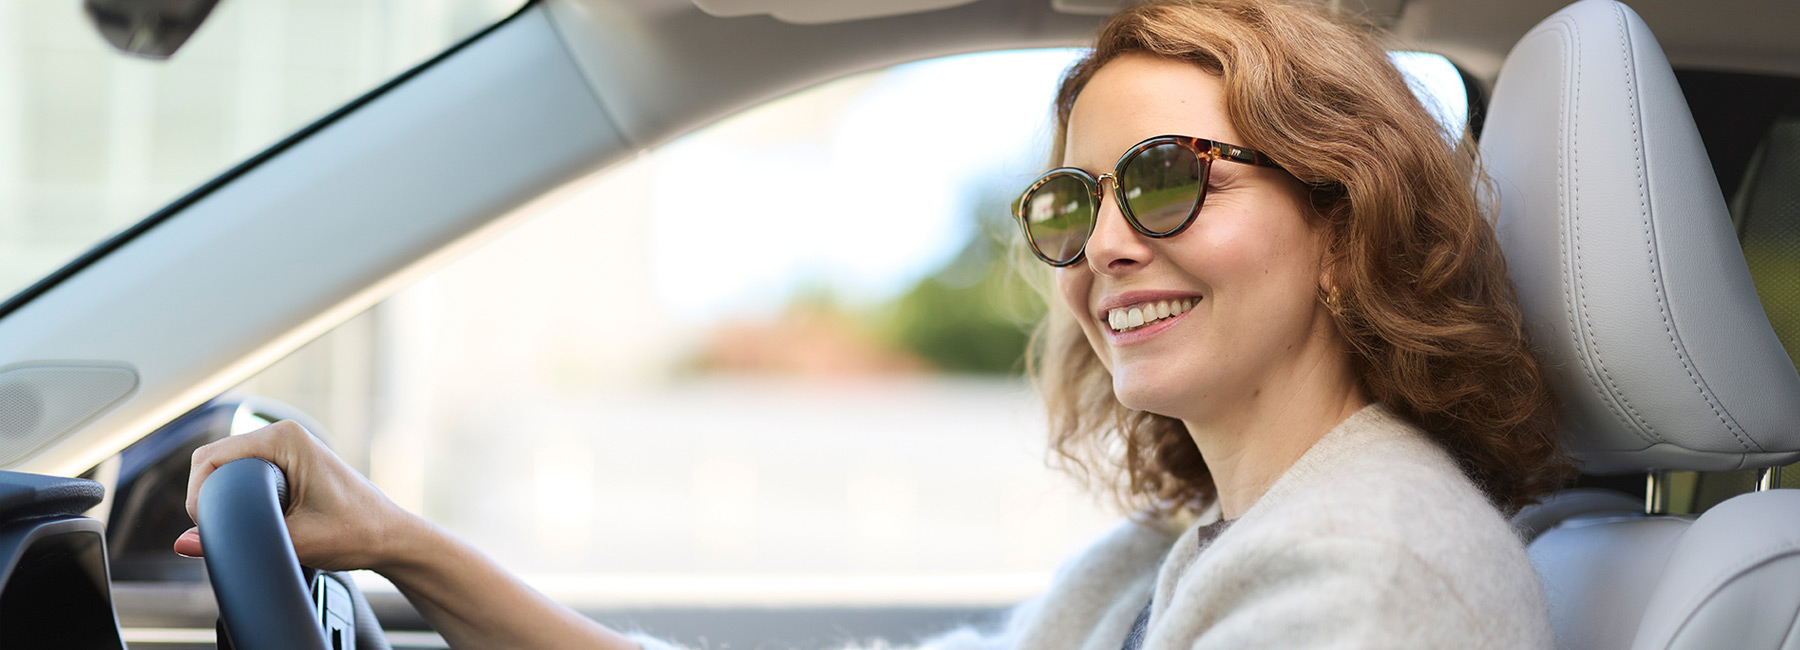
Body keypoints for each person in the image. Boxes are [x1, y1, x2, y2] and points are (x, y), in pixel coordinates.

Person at [178, 0, 1572, 647]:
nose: (1100, 241)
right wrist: (403, 543)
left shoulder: (1374, 581)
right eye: (1070, 199)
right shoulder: (1188, 555)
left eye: (1166, 180)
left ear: (1344, 224)